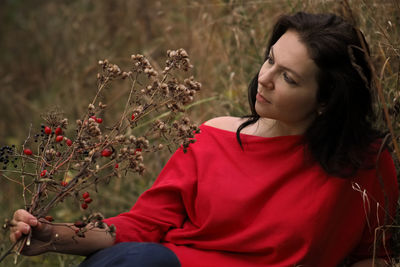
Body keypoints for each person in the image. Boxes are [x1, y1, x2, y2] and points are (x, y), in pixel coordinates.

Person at [10, 12, 399, 267]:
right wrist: (54, 236)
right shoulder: (214, 136)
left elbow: (373, 256)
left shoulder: (363, 162)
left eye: (289, 77)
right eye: (270, 60)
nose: (264, 78)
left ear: (327, 100)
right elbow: (144, 225)